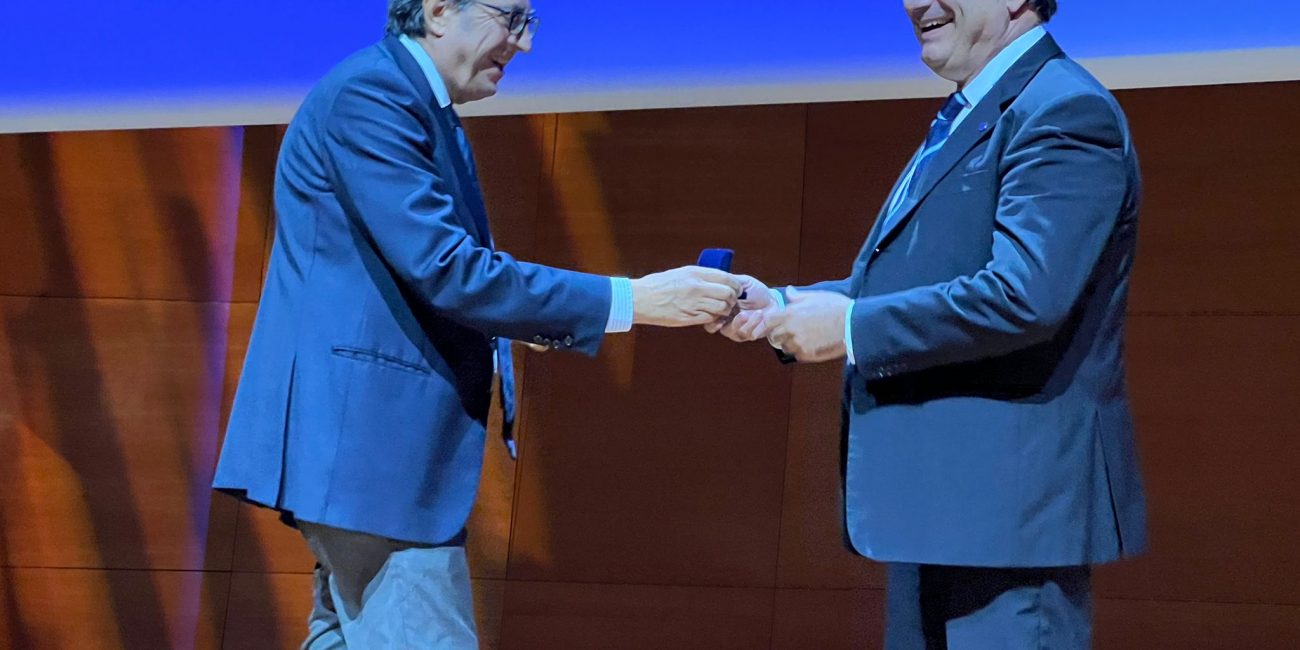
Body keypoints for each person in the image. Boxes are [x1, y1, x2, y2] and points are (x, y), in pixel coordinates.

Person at [212, 1, 743, 646]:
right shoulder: (373, 95)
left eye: (528, 23)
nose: (523, 44)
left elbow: (414, 274)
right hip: (370, 451)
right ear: (438, 10)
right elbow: (448, 269)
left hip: (364, 457)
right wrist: (630, 299)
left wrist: (520, 320)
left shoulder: (412, 101)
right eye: (510, 18)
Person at [714, 1, 1146, 646]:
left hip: (1009, 522)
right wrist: (783, 305)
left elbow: (1025, 297)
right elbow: (922, 280)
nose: (916, 2)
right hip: (944, 512)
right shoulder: (974, 107)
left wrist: (853, 328)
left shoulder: (1063, 109)